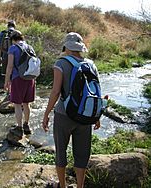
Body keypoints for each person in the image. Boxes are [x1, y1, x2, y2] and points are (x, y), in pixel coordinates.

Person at [42, 32, 101, 188]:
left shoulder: (61, 63)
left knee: (61, 153)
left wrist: (46, 114)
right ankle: (80, 186)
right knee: (82, 155)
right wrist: (97, 116)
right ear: (80, 47)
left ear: (66, 46)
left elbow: (55, 92)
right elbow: (96, 92)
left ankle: (62, 185)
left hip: (64, 115)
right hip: (86, 116)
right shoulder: (91, 64)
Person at [4, 30, 35, 138]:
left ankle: (19, 127)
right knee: (26, 103)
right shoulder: (29, 47)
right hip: (30, 78)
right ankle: (27, 125)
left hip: (18, 78)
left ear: (13, 39)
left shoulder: (13, 48)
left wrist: (7, 81)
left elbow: (10, 66)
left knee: (17, 104)